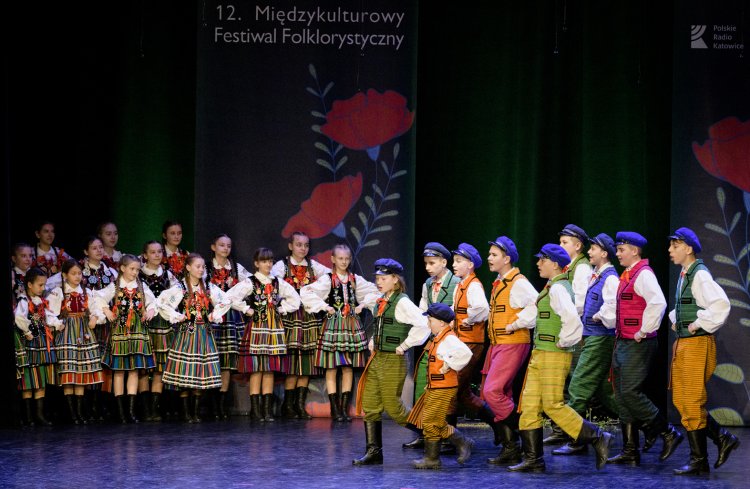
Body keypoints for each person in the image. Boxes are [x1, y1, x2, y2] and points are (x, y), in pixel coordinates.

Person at [509, 244, 612, 473]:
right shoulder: (550, 287)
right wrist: (515, 324)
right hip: (540, 352)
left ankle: (597, 436)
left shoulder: (558, 288)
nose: (538, 264)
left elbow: (572, 320)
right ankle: (534, 459)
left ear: (554, 263)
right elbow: (540, 315)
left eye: (542, 260)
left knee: (553, 404)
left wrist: (565, 342)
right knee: (529, 406)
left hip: (554, 354)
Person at [606, 232, 682, 466]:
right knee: (621, 395)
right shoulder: (627, 274)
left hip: (638, 343)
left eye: (621, 250)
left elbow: (658, 302)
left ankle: (667, 432)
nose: (617, 254)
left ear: (634, 251)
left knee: (630, 392)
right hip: (624, 340)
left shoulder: (643, 274)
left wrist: (643, 331)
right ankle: (630, 449)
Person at [667, 227, 739, 475]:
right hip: (685, 343)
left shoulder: (699, 275)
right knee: (681, 400)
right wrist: (677, 320)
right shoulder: (685, 274)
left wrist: (697, 323)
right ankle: (722, 438)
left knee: (691, 399)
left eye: (675, 246)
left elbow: (720, 305)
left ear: (688, 248)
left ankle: (699, 459)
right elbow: (686, 305)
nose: (670, 250)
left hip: (697, 344)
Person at [352, 258, 431, 466]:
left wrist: (406, 345)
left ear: (395, 279)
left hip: (393, 360)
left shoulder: (402, 302)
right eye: (377, 278)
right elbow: (382, 326)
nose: (379, 282)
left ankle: (438, 434)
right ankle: (374, 452)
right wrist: (373, 341)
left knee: (394, 408)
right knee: (370, 404)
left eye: (383, 278)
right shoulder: (381, 300)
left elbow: (424, 323)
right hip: (378, 357)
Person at [553, 233, 620, 456]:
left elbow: (613, 305)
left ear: (604, 253)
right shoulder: (596, 275)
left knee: (578, 387)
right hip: (592, 335)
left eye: (593, 249)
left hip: (600, 336)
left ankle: (577, 439)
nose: (589, 252)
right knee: (605, 392)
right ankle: (651, 427)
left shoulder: (609, 277)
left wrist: (600, 316)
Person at [300, 244, 378, 421]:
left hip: (351, 326)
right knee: (332, 367)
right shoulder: (328, 279)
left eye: (347, 258)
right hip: (333, 326)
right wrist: (324, 306)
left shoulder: (354, 279)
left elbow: (374, 291)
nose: (344, 262)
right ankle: (335, 409)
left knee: (347, 366)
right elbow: (307, 292)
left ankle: (343, 408)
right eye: (340, 258)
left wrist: (362, 305)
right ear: (333, 259)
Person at [227, 247, 301, 422]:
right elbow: (230, 297)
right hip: (257, 328)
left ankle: (267, 410)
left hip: (273, 329)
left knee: (269, 368)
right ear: (256, 263)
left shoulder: (277, 282)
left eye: (270, 261)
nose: (268, 264)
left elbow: (295, 299)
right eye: (264, 261)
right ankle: (256, 410)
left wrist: (281, 309)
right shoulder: (250, 282)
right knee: (257, 369)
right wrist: (246, 309)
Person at [484, 236, 538, 465]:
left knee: (492, 391)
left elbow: (537, 305)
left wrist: (516, 324)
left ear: (507, 259)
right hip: (498, 343)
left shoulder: (518, 282)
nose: (489, 258)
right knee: (501, 393)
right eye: (490, 254)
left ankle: (524, 431)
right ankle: (511, 448)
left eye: (494, 255)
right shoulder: (500, 282)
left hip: (513, 342)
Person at [159, 253, 231, 423]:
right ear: (188, 267)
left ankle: (195, 411)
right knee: (186, 372)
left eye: (203, 267)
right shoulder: (181, 288)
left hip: (204, 332)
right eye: (197, 266)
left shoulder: (208, 287)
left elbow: (226, 300)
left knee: (200, 372)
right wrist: (177, 316)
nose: (201, 269)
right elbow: (162, 302)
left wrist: (214, 314)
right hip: (187, 333)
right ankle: (186, 412)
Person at [403, 241, 460, 450]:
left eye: (432, 263)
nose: (427, 267)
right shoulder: (427, 284)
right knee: (422, 382)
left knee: (446, 388)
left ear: (444, 262)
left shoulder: (457, 283)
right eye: (426, 263)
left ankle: (448, 437)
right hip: (433, 339)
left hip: (451, 340)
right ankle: (423, 432)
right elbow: (423, 311)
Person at [91, 254, 158, 423]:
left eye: (137, 269)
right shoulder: (115, 286)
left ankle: (130, 411)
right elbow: (97, 296)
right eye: (132, 269)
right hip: (120, 331)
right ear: (122, 268)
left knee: (134, 370)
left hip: (137, 331)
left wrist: (150, 310)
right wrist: (106, 310)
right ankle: (121, 412)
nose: (135, 272)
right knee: (119, 370)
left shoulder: (141, 286)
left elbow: (153, 302)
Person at [271, 231, 330, 419]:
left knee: (306, 364)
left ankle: (299, 404)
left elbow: (330, 277)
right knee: (292, 363)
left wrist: (315, 295)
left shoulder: (314, 267)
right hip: (290, 318)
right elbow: (272, 283)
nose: (303, 248)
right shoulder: (281, 266)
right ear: (290, 246)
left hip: (309, 317)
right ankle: (287, 405)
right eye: (298, 244)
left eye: (306, 245)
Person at [408, 302, 474, 469]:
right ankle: (451, 447)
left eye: (430, 320)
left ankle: (436, 456)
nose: (428, 323)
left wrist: (449, 364)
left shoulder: (449, 338)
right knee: (432, 421)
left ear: (442, 323)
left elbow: (466, 353)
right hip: (436, 385)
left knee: (431, 421)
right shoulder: (439, 337)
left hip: (444, 386)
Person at [545, 223, 593, 446]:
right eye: (560, 242)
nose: (560, 246)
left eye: (565, 242)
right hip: (562, 329)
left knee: (574, 381)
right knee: (562, 380)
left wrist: (566, 323)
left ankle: (576, 432)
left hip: (574, 331)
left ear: (578, 245)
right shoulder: (566, 267)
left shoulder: (581, 268)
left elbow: (580, 302)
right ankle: (562, 428)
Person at [48, 259, 105, 424]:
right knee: (69, 371)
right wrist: (57, 323)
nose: (77, 276)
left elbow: (95, 309)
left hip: (84, 332)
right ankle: (71, 413)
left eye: (79, 273)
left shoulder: (86, 292)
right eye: (73, 273)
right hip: (67, 333)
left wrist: (94, 317)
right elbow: (49, 312)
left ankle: (79, 412)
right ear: (65, 275)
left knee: (81, 372)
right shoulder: (59, 292)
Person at [206, 234, 251, 420]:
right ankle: (212, 401)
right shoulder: (206, 268)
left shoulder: (236, 268)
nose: (225, 249)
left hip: (231, 317)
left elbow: (251, 282)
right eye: (221, 245)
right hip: (215, 315)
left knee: (227, 361)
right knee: (213, 359)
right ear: (213, 247)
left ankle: (221, 404)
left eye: (228, 246)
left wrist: (237, 294)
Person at [449, 243, 492, 434]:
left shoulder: (473, 285)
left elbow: (482, 309)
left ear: (470, 264)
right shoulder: (461, 285)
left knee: (452, 386)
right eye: (454, 261)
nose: (454, 265)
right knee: (464, 393)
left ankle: (450, 436)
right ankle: (501, 427)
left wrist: (467, 319)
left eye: (458, 261)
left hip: (471, 342)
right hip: (462, 341)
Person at [14, 268, 62, 426]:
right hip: (30, 344)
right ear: (29, 284)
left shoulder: (41, 301)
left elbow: (48, 316)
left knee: (40, 378)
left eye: (44, 285)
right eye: (40, 285)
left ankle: (39, 415)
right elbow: (19, 317)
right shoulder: (24, 301)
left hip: (41, 343)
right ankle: (28, 417)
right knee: (29, 380)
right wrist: (26, 330)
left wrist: (56, 324)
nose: (42, 288)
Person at [139, 240, 179, 421]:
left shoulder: (168, 275)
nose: (157, 255)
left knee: (159, 368)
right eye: (153, 252)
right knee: (144, 368)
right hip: (145, 323)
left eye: (159, 252)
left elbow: (177, 294)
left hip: (162, 323)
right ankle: (144, 408)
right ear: (145, 255)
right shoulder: (139, 274)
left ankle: (155, 409)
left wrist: (168, 307)